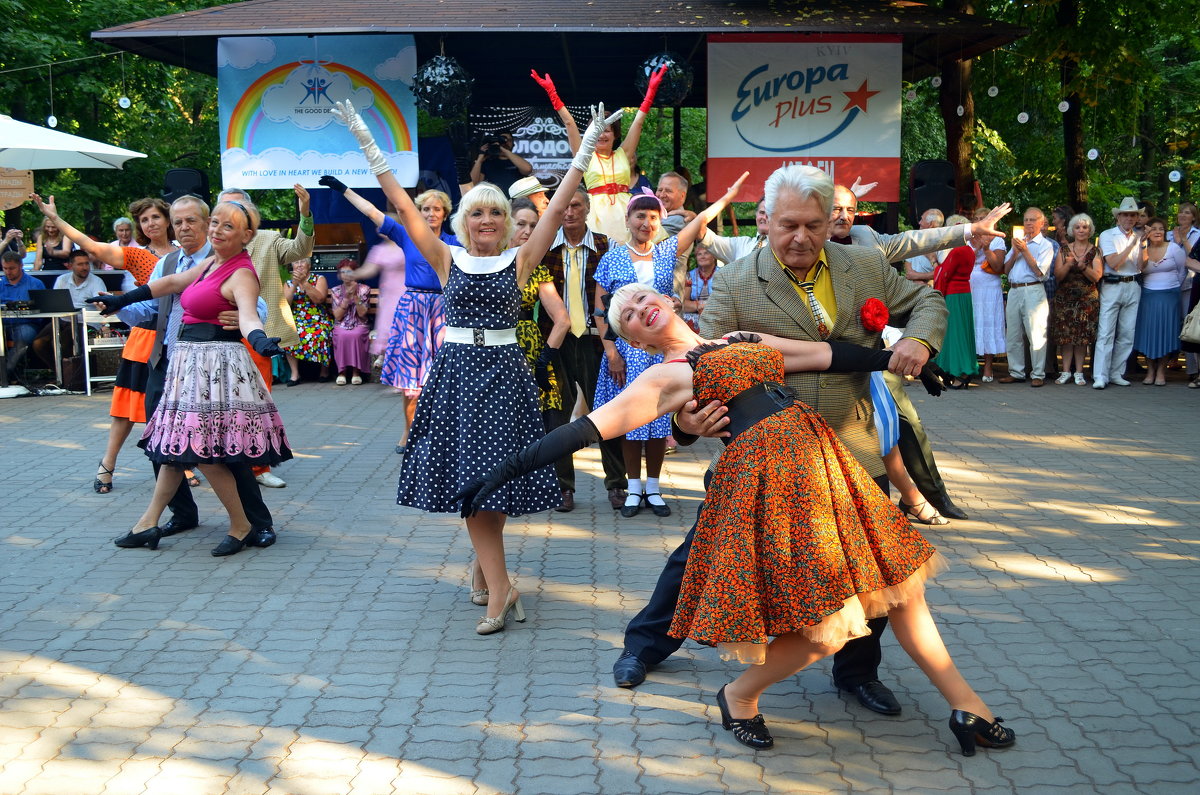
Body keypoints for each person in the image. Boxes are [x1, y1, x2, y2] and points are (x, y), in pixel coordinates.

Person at [460, 284, 1013, 757]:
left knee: (901, 588)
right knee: (832, 626)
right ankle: (740, 695)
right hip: (770, 490)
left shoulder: (741, 340)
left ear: (668, 300)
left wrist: (900, 359)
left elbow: (827, 356)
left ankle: (968, 709)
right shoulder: (664, 380)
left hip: (827, 470)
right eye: (626, 314)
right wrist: (501, 472)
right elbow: (584, 431)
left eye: (643, 298)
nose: (638, 308)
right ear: (634, 341)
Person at [613, 165, 948, 717]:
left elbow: (927, 301)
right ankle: (645, 646)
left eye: (814, 225)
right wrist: (684, 427)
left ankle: (858, 673)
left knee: (872, 566)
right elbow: (699, 366)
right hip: (761, 456)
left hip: (852, 443)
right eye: (789, 224)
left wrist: (917, 339)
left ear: (831, 221)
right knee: (699, 553)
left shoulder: (863, 264)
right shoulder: (736, 280)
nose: (802, 237)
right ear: (765, 221)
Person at [333, 97, 621, 633]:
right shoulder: (445, 256)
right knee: (473, 485)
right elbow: (399, 202)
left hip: (505, 375)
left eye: (495, 212)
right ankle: (499, 581)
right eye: (478, 212)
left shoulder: (524, 257)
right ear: (463, 222)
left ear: (507, 222)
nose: (486, 219)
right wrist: (367, 143)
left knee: (493, 483)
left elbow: (557, 207)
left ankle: (494, 577)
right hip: (457, 374)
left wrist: (583, 149)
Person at [88, 200, 290, 557]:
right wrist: (119, 300)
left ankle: (247, 524)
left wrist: (259, 338)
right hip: (181, 363)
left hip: (213, 369)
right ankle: (150, 523)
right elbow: (169, 284)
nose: (215, 230)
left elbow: (249, 314)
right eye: (215, 223)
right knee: (173, 448)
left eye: (225, 226)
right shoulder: (209, 263)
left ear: (246, 235)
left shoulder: (240, 271)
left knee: (206, 452)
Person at [593, 175, 748, 519]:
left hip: (661, 350)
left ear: (659, 220)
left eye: (652, 217)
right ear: (628, 220)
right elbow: (601, 309)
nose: (646, 222)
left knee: (660, 423)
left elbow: (701, 221)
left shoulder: (666, 251)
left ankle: (653, 487)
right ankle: (632, 489)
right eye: (639, 216)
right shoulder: (612, 258)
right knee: (633, 422)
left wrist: (728, 197)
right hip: (627, 350)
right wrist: (611, 350)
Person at [29, 193, 175, 493]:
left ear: (168, 219)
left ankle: (179, 465)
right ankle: (107, 465)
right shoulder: (136, 255)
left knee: (175, 406)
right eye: (143, 220)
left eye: (155, 217)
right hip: (146, 335)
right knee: (126, 409)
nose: (149, 224)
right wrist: (55, 219)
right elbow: (92, 247)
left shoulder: (187, 253)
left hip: (179, 336)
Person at [318, 179, 458, 454]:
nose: (431, 213)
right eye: (426, 208)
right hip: (413, 310)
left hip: (443, 311)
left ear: (445, 213)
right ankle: (408, 432)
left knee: (443, 380)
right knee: (410, 383)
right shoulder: (407, 235)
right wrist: (344, 189)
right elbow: (371, 211)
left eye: (437, 209)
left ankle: (443, 434)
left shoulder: (455, 242)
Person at [217, 186, 314, 489]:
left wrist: (305, 212)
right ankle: (218, 465)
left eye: (235, 209)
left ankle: (259, 468)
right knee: (217, 404)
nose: (225, 218)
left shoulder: (268, 240)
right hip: (216, 336)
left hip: (257, 335)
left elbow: (301, 249)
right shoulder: (211, 245)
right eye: (220, 211)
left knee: (258, 404)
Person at [538, 186, 628, 511]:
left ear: (588, 208)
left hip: (596, 341)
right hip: (556, 341)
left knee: (606, 413)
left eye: (576, 205)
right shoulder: (544, 248)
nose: (570, 211)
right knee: (557, 417)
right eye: (565, 206)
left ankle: (618, 484)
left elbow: (619, 294)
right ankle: (563, 488)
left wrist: (617, 346)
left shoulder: (608, 246)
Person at [532, 66, 667, 243]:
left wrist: (650, 94)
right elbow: (569, 123)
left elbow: (638, 122)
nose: (602, 135)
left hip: (626, 211)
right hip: (595, 215)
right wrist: (553, 94)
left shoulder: (623, 154)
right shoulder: (584, 155)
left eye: (607, 131)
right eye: (596, 131)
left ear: (615, 134)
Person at [510, 198, 571, 458]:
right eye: (520, 224)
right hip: (493, 347)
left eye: (533, 225)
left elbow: (563, 319)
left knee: (537, 423)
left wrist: (545, 358)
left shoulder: (538, 268)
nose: (527, 231)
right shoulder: (486, 261)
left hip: (529, 347)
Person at [999, 208, 1054, 387]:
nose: (1028, 223)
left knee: (1036, 333)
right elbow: (1005, 271)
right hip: (1014, 290)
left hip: (1033, 290)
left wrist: (1025, 251)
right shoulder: (1018, 242)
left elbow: (1040, 272)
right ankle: (1016, 372)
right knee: (1013, 334)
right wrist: (1015, 252)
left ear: (1041, 223)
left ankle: (1038, 374)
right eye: (1026, 220)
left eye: (1032, 220)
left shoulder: (1045, 245)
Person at [1093, 198, 1145, 389]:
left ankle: (1116, 373)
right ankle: (1100, 375)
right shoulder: (1108, 235)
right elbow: (1114, 263)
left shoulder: (1138, 237)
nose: (1130, 218)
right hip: (1113, 284)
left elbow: (1141, 266)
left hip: (1132, 284)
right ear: (1119, 217)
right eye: (1126, 214)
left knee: (1127, 333)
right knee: (1106, 331)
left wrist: (1142, 245)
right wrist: (1133, 244)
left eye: (1133, 215)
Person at [1133, 218, 1187, 385]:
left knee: (1165, 333)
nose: (1158, 231)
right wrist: (1142, 247)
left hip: (1170, 296)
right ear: (1148, 232)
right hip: (1148, 296)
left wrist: (1172, 288)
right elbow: (1140, 268)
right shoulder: (1143, 249)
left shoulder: (1174, 248)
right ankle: (1150, 371)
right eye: (1154, 229)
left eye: (1161, 229)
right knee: (1148, 333)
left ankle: (1161, 371)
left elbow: (1182, 270)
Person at [1051, 213, 1101, 385]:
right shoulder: (1063, 250)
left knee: (1082, 337)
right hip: (1065, 300)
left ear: (1090, 230)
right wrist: (1068, 264)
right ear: (1072, 230)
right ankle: (1065, 371)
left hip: (1087, 301)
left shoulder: (1095, 250)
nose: (1081, 230)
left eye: (1085, 227)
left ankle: (1079, 372)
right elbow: (1057, 275)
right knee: (1065, 336)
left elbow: (1097, 276)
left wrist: (1083, 267)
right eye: (1078, 227)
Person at [352, 216, 406, 362]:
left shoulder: (407, 243)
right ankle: (390, 365)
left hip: (406, 293)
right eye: (377, 225)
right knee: (389, 327)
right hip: (389, 296)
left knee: (405, 329)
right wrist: (352, 274)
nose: (378, 229)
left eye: (381, 225)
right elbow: (368, 270)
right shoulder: (379, 249)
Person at [931, 227, 978, 389]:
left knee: (954, 334)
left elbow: (944, 274)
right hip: (964, 294)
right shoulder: (970, 251)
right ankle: (962, 370)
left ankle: (959, 372)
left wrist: (934, 263)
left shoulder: (957, 251)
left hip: (953, 295)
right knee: (963, 333)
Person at [970, 207, 1008, 382]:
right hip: (970, 286)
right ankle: (970, 365)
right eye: (976, 218)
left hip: (989, 288)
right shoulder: (968, 239)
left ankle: (988, 366)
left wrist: (985, 249)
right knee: (972, 323)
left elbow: (998, 267)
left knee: (988, 323)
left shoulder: (998, 240)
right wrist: (975, 246)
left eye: (983, 217)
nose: (979, 220)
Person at [282, 257, 331, 384]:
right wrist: (294, 284)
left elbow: (319, 299)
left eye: (302, 262)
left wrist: (304, 282)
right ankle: (295, 374)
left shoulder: (319, 279)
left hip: (317, 318)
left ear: (308, 265)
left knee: (321, 332)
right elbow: (286, 304)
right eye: (296, 262)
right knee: (288, 333)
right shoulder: (288, 283)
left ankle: (324, 371)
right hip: (297, 318)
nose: (299, 265)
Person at [1, 251, 43, 377]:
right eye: (5, 268)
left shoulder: (35, 284)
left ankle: (4, 374)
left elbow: (44, 309)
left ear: (21, 266)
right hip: (2, 324)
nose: (8, 272)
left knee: (23, 337)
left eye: (12, 268)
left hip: (27, 323)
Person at [330, 259, 372, 385]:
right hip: (342, 324)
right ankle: (341, 372)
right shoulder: (336, 290)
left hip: (359, 323)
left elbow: (362, 313)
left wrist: (355, 296)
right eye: (342, 272)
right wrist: (347, 298)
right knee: (341, 334)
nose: (345, 274)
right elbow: (337, 316)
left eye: (349, 271)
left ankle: (356, 372)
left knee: (356, 334)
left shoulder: (364, 289)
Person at [1170, 203, 1200, 383]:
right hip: (1168, 284)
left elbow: (1192, 257)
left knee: (1190, 325)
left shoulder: (1197, 235)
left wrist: (1183, 239)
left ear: (1194, 217)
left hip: (1189, 284)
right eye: (1181, 211)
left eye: (1187, 213)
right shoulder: (1167, 233)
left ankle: (1193, 370)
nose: (1182, 215)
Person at [468, 130, 533, 194]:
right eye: (503, 139)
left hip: (514, 202)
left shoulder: (517, 162)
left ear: (513, 144)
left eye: (509, 140)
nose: (506, 142)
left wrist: (503, 149)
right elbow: (472, 185)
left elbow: (528, 169)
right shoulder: (487, 162)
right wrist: (479, 159)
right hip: (494, 201)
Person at [682, 242, 718, 332]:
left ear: (714, 257)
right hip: (695, 314)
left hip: (717, 312)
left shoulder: (723, 273)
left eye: (706, 253)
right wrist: (698, 306)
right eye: (699, 254)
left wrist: (708, 307)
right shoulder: (689, 275)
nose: (702, 256)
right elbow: (684, 303)